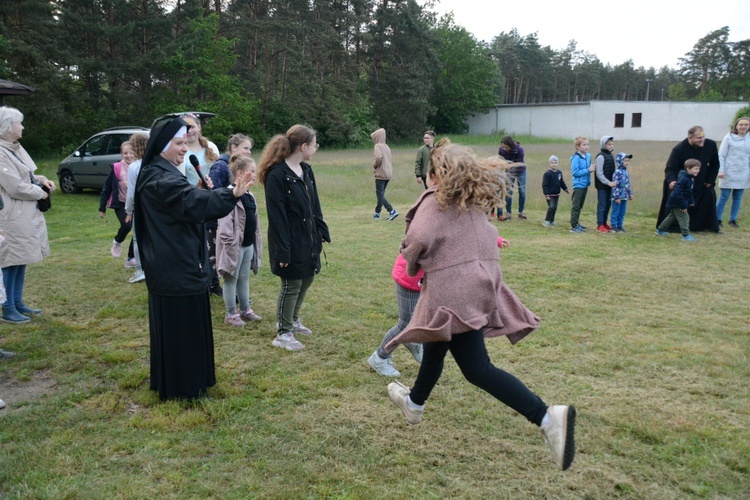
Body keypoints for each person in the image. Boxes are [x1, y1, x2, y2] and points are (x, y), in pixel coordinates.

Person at [384, 141, 576, 471]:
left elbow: (416, 239)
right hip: (475, 288)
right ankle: (414, 403)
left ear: (435, 175)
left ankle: (547, 417)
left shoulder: (435, 201)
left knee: (476, 368)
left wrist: (414, 267)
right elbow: (489, 236)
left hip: (454, 295)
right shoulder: (470, 203)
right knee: (435, 343)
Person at [134, 116, 254, 401]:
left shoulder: (158, 171)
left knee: (181, 330)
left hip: (172, 262)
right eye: (178, 143)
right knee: (182, 332)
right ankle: (185, 388)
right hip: (175, 266)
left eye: (185, 142)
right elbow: (191, 203)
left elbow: (182, 205)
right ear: (162, 146)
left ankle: (184, 383)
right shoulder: (160, 177)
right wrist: (231, 193)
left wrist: (201, 191)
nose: (183, 149)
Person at [259, 124, 330, 351]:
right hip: (289, 238)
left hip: (308, 237)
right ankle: (283, 332)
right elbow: (276, 217)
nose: (315, 148)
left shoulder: (306, 170)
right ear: (303, 146)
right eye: (314, 144)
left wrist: (321, 229)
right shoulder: (277, 175)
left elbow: (314, 204)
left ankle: (293, 320)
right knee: (292, 283)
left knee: (308, 277)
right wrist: (283, 250)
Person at [0, 106, 55, 323]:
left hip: (22, 212)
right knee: (10, 259)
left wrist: (41, 180)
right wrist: (41, 193)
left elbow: (27, 175)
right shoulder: (1, 153)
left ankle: (18, 301)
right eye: (19, 123)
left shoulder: (13, 148)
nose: (22, 126)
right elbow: (15, 186)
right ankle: (8, 307)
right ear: (7, 126)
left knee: (20, 258)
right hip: (11, 214)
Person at [216, 154, 263, 327]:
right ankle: (230, 313)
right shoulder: (229, 195)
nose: (255, 174)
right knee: (231, 279)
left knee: (243, 278)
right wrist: (230, 245)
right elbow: (225, 223)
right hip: (233, 247)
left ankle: (245, 309)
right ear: (241, 174)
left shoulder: (249, 195)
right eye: (252, 171)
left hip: (248, 245)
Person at [179, 113, 223, 296]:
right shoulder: (180, 149)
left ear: (199, 127)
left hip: (211, 200)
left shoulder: (210, 147)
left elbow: (220, 171)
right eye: (185, 127)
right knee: (198, 241)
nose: (189, 131)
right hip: (192, 200)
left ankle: (214, 281)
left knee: (213, 241)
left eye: (192, 126)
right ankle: (200, 279)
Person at [657, 126, 721, 233]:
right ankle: (672, 227)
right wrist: (672, 181)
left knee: (709, 194)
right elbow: (670, 168)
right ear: (690, 138)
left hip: (702, 180)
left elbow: (715, 164)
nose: (702, 140)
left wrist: (710, 180)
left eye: (703, 137)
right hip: (682, 181)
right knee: (676, 196)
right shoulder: (679, 149)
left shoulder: (711, 145)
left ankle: (706, 226)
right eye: (699, 138)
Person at [99, 141, 135, 265]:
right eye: (125, 153)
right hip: (121, 203)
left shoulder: (139, 166)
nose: (129, 155)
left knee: (138, 231)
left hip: (136, 204)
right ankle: (117, 241)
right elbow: (107, 188)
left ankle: (131, 258)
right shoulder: (117, 168)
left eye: (131, 152)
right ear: (122, 154)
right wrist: (102, 208)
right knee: (127, 226)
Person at [124, 133, 149, 283]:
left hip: (141, 207)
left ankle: (141, 270)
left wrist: (128, 210)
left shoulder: (134, 167)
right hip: (154, 207)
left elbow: (131, 192)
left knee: (137, 238)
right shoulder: (155, 162)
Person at [716, 116, 750, 228]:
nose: (743, 127)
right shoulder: (729, 137)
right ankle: (717, 219)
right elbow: (721, 155)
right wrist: (721, 170)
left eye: (746, 124)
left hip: (743, 172)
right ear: (736, 126)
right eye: (741, 124)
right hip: (729, 171)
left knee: (738, 196)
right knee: (724, 196)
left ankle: (733, 220)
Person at [656, 159, 700, 242]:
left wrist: (691, 201)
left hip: (679, 201)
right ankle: (686, 236)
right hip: (678, 202)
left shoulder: (690, 178)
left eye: (698, 169)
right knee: (684, 218)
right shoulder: (684, 179)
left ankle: (660, 230)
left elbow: (688, 191)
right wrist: (683, 205)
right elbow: (678, 193)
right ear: (688, 168)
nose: (698, 171)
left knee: (672, 216)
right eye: (696, 169)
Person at [495, 136, 527, 220]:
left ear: (511, 146)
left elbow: (518, 163)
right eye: (503, 146)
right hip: (508, 172)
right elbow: (500, 160)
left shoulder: (520, 150)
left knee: (522, 191)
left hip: (520, 171)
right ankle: (508, 212)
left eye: (506, 147)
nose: (504, 148)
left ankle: (521, 212)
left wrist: (508, 168)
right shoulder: (501, 150)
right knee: (509, 191)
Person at [371, 128, 398, 221]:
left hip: (380, 174)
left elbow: (378, 158)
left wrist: (374, 165)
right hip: (388, 173)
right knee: (381, 194)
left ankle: (391, 211)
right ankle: (377, 213)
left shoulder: (377, 146)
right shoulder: (386, 146)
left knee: (380, 195)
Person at [569, 136, 594, 233]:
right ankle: (574, 226)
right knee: (575, 205)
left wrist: (591, 168)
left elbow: (587, 169)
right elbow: (575, 172)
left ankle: (577, 223)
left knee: (580, 205)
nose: (586, 146)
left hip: (585, 184)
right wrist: (588, 170)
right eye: (584, 145)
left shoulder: (588, 156)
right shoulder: (575, 158)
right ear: (577, 147)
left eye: (587, 144)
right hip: (578, 185)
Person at [594, 136, 617, 233]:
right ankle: (600, 225)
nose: (611, 146)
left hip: (610, 186)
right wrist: (608, 182)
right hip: (602, 186)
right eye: (608, 144)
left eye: (612, 144)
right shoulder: (600, 156)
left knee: (608, 205)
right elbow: (599, 173)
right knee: (602, 205)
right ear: (603, 145)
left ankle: (604, 222)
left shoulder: (611, 155)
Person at [542, 155, 569, 227]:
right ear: (549, 164)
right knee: (552, 207)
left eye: (555, 162)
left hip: (556, 194)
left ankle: (552, 220)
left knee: (555, 208)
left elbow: (561, 182)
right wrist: (546, 194)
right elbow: (545, 185)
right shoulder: (547, 173)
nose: (554, 164)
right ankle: (547, 221)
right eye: (552, 163)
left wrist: (565, 188)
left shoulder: (559, 173)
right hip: (550, 194)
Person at [610, 153, 634, 232]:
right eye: (625, 161)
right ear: (620, 162)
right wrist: (616, 197)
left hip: (625, 196)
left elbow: (627, 184)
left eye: (628, 161)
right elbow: (615, 185)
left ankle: (620, 225)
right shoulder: (617, 172)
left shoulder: (626, 173)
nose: (627, 162)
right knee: (616, 211)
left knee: (622, 212)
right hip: (618, 197)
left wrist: (630, 193)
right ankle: (614, 226)